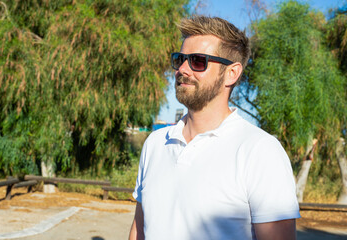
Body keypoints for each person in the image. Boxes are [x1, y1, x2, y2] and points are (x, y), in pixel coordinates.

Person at [129, 15, 300, 240]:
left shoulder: (260, 151)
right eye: (180, 59)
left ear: (232, 73)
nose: (182, 69)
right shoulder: (156, 143)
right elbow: (139, 230)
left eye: (198, 61)